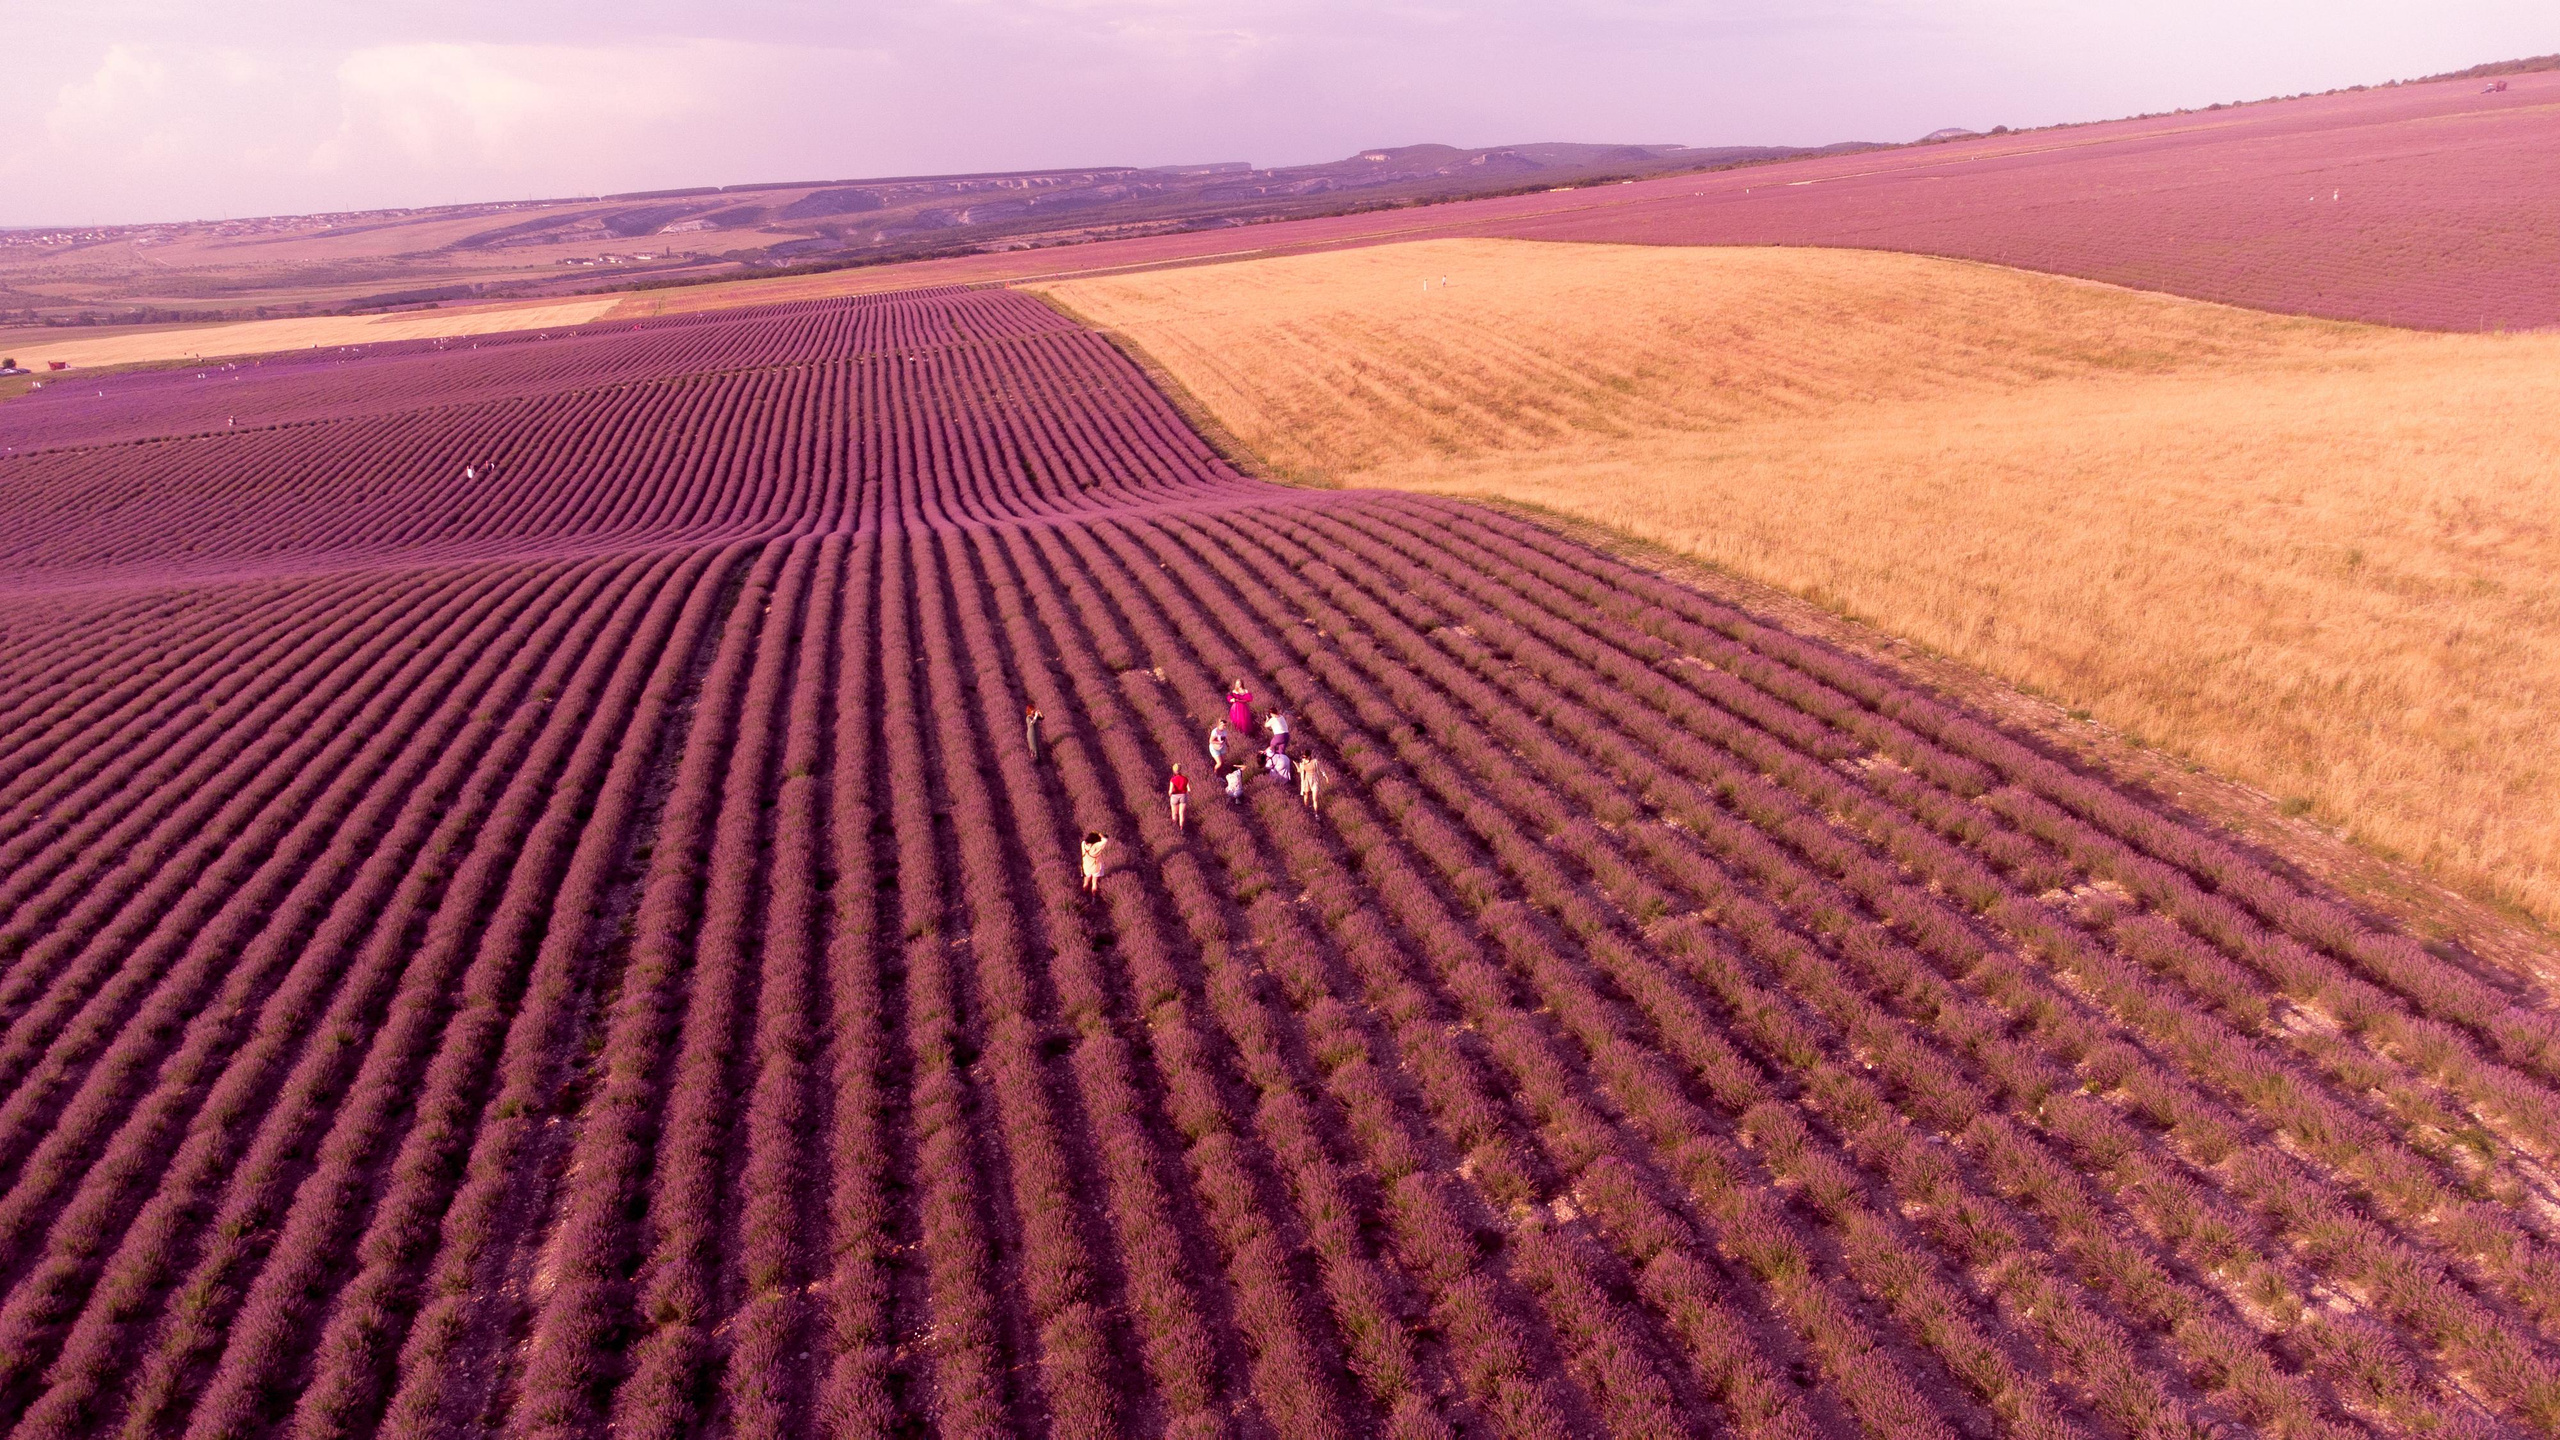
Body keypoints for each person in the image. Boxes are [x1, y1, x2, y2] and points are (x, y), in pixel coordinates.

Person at [1167, 764, 1189, 829]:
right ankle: (1181, 828)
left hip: (1174, 797)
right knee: (1181, 813)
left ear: (1174, 771)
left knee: (1174, 813)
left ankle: (1174, 828)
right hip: (1183, 796)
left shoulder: (1173, 779)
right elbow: (1188, 789)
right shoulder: (1185, 779)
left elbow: (1170, 791)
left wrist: (1170, 795)